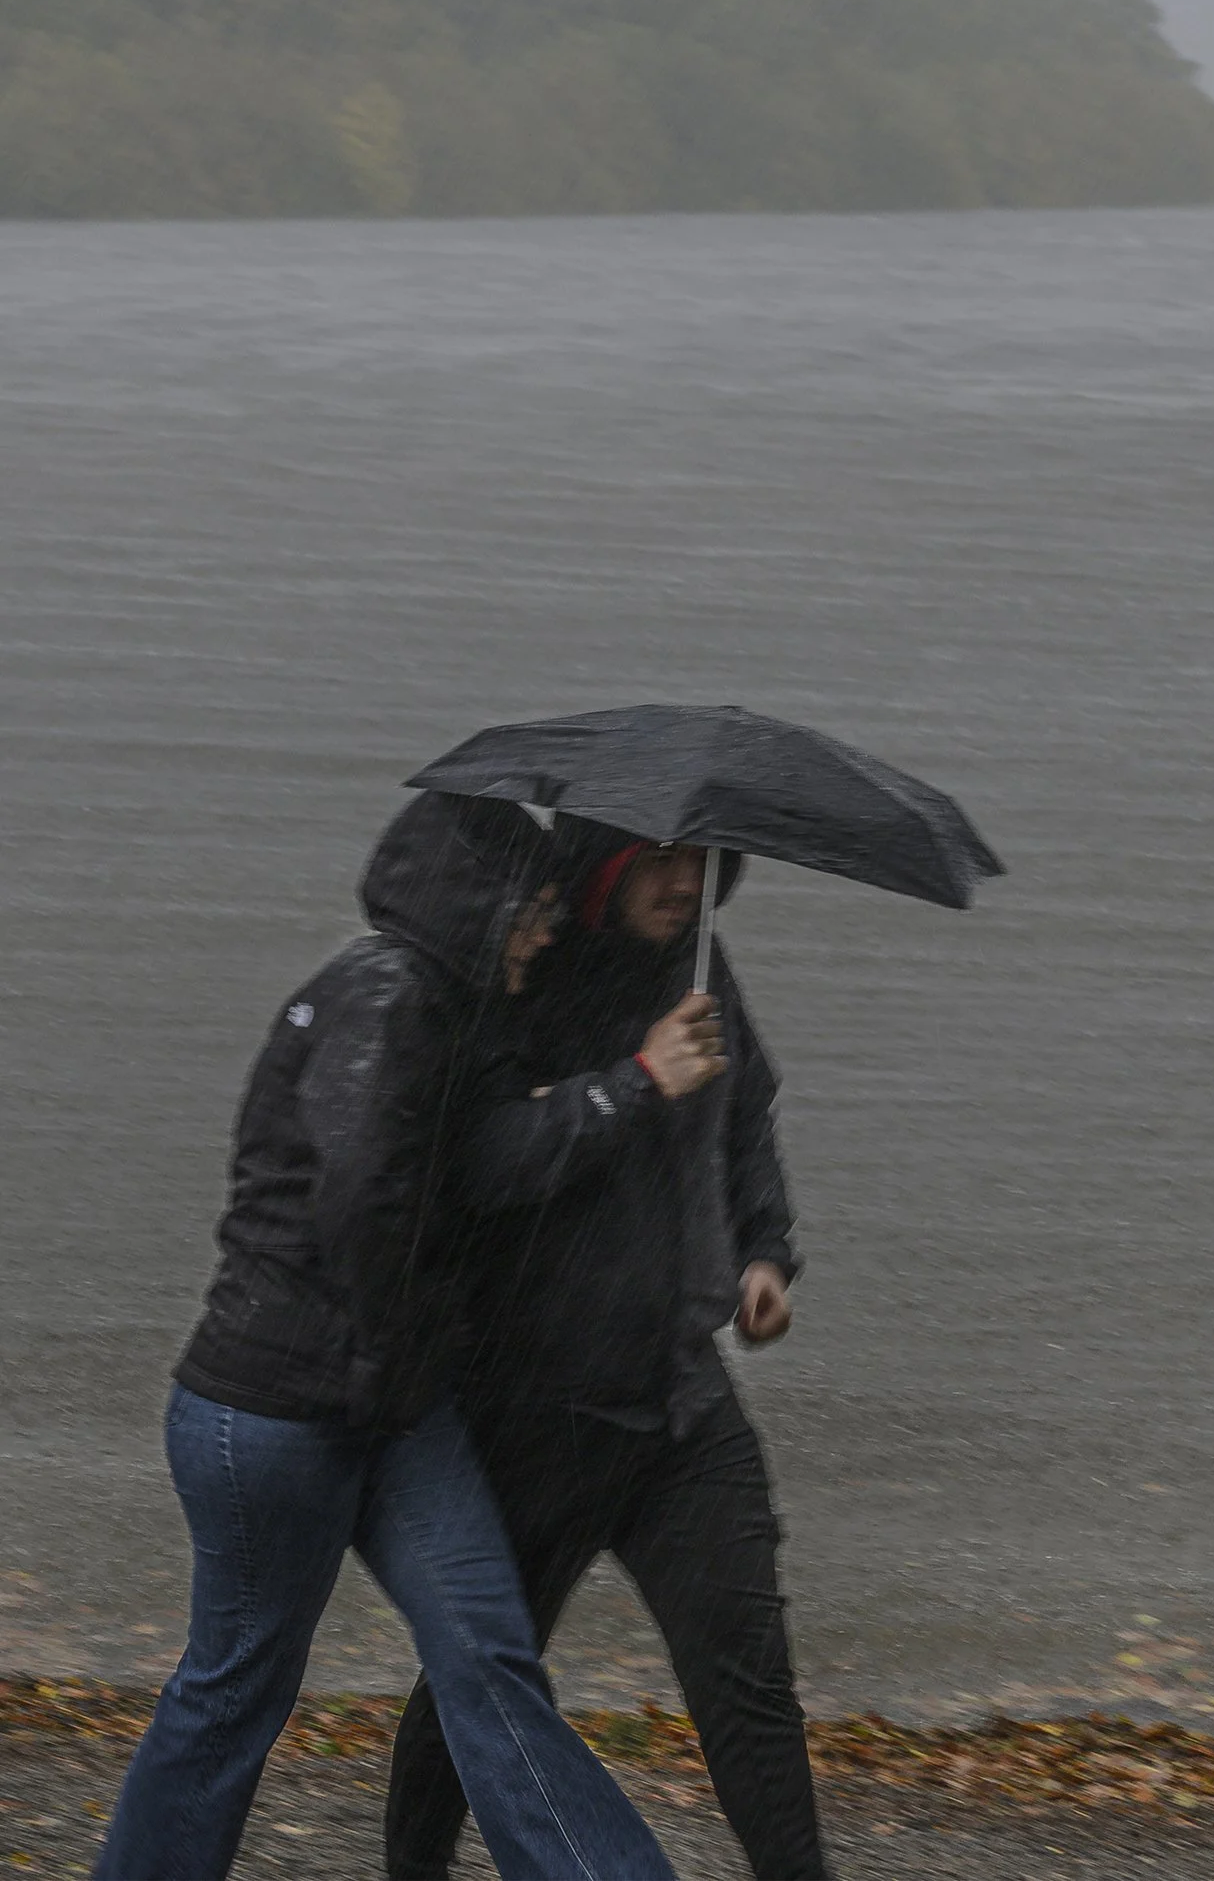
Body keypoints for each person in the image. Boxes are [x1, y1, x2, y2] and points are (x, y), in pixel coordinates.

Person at [92, 793, 680, 1881]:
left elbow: (481, 1168)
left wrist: (615, 1088)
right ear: (478, 902)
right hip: (275, 1409)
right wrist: (384, 1361)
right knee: (235, 1690)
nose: (543, 934)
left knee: (489, 1659)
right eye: (534, 913)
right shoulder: (385, 996)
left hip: (395, 1404)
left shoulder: (456, 1010)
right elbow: (361, 1202)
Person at [384, 830, 827, 1881]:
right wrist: (637, 1078)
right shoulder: (523, 976)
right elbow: (487, 1164)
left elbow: (745, 1120)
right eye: (661, 860)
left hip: (680, 1405)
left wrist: (764, 1254)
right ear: (604, 864)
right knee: (484, 1679)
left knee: (749, 1682)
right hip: (536, 1412)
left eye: (704, 860)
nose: (687, 881)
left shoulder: (701, 965)